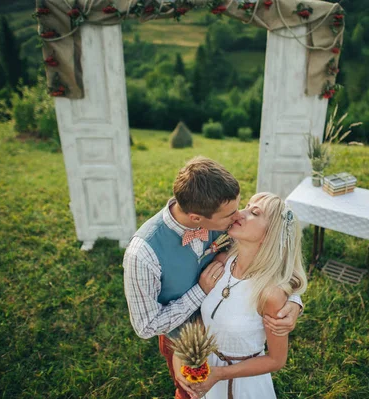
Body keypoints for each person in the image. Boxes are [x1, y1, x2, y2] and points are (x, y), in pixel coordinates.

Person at [123, 157, 303, 399]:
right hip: (183, 341)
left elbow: (274, 257)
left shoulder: (221, 213)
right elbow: (146, 326)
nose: (238, 215)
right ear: (197, 218)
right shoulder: (142, 254)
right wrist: (201, 291)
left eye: (244, 208)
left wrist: (293, 302)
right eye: (232, 213)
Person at [173, 192, 308, 399]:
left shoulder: (270, 294)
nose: (239, 214)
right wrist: (184, 352)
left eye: (254, 212)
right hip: (206, 372)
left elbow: (276, 360)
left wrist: (219, 374)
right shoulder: (221, 262)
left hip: (242, 384)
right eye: (246, 205)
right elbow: (206, 316)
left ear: (269, 235)